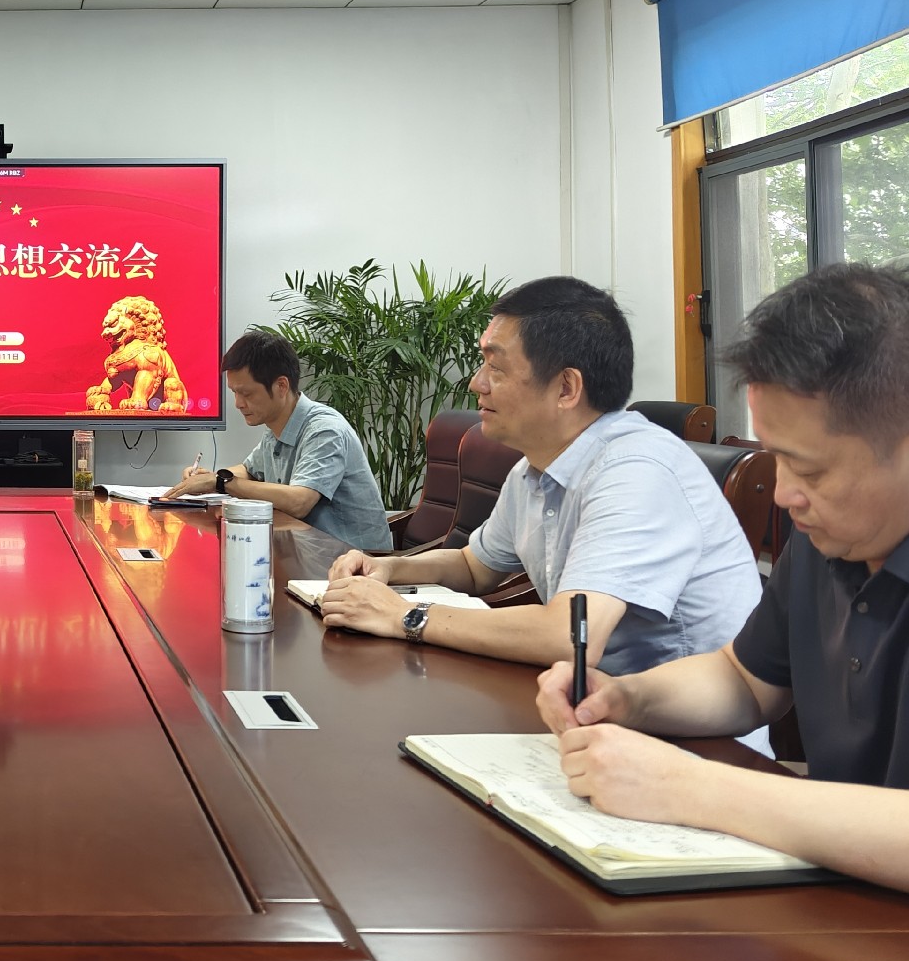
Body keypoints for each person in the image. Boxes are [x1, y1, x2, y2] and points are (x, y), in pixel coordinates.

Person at [535, 263, 909, 896]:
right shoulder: (830, 539)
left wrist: (690, 788)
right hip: (843, 900)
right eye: (776, 460)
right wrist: (629, 700)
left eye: (811, 471)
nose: (786, 495)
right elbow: (745, 679)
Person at [320, 276, 759, 671]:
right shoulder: (534, 468)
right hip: (586, 703)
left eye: (495, 367)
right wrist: (388, 569)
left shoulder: (637, 471)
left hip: (675, 726)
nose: (476, 383)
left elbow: (569, 637)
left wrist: (403, 615)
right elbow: (474, 567)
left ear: (566, 388)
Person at [162, 330, 394, 553]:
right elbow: (249, 470)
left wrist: (221, 482)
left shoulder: (325, 429)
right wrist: (209, 478)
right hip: (308, 552)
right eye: (234, 392)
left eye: (247, 394)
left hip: (356, 561)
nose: (238, 403)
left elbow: (300, 501)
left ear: (281, 386)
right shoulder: (277, 426)